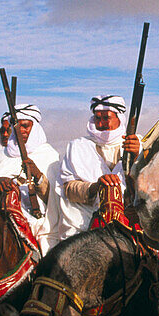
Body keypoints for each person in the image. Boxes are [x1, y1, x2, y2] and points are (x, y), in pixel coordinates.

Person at [0, 104, 62, 253]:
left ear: (34, 127)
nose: (21, 131)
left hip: (40, 224)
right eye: (17, 127)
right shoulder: (4, 155)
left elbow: (56, 198)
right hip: (4, 222)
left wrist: (38, 176)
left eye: (25, 126)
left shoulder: (49, 155)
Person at [54, 95, 141, 239]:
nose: (101, 123)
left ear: (119, 118)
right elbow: (69, 190)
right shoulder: (77, 146)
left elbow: (151, 185)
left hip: (131, 223)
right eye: (97, 118)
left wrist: (138, 156)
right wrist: (96, 187)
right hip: (84, 224)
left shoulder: (137, 144)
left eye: (106, 118)